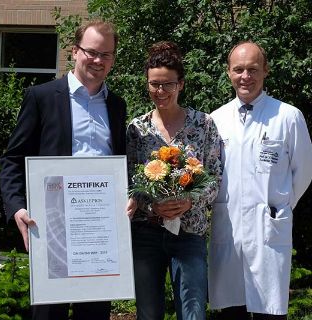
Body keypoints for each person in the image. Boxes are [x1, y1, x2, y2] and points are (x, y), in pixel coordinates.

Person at [0, 19, 126, 320]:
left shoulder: (117, 105)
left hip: (98, 234)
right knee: (48, 314)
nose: (98, 60)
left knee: (94, 315)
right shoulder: (41, 97)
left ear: (112, 59)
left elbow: (121, 165)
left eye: (105, 54)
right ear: (74, 51)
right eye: (91, 51)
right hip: (53, 229)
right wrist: (17, 207)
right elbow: (13, 160)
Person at [208, 40, 312, 319]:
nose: (245, 77)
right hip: (229, 231)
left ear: (265, 71)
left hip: (269, 229)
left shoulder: (288, 116)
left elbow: (303, 172)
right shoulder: (215, 120)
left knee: (270, 311)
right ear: (228, 72)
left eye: (253, 69)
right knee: (231, 311)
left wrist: (280, 208)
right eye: (238, 69)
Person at [126, 41, 221, 320]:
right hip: (147, 233)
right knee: (148, 313)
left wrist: (190, 200)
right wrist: (151, 207)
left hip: (189, 233)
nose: (160, 91)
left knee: (192, 313)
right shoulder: (136, 129)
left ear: (181, 84)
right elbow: (129, 181)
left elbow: (215, 176)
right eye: (154, 84)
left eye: (167, 84)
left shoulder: (203, 125)